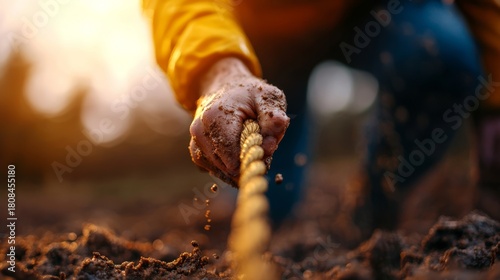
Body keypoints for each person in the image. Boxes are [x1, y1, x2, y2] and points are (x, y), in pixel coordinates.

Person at [143, 0, 500, 234]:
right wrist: (222, 70)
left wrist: (495, 102)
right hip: (261, 34)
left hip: (376, 13)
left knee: (443, 52)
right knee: (266, 211)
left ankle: (374, 212)